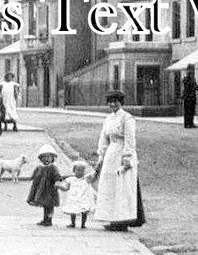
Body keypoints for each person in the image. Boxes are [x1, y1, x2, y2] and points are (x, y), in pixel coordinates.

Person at [93, 90, 146, 231]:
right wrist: (101, 155)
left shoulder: (127, 118)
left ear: (121, 102)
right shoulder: (108, 118)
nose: (113, 104)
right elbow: (103, 138)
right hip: (111, 153)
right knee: (111, 186)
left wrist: (127, 158)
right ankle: (112, 218)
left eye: (116, 101)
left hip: (122, 153)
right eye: (110, 102)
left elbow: (130, 139)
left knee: (123, 187)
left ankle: (122, 220)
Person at [27, 143, 65, 226]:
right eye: (44, 157)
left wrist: (59, 181)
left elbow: (57, 176)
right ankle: (45, 219)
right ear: (41, 158)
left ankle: (49, 220)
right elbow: (35, 175)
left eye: (49, 157)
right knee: (45, 205)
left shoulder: (53, 167)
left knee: (50, 206)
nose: (47, 159)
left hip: (50, 190)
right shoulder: (39, 167)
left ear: (52, 158)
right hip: (42, 190)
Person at [58, 162, 97, 228]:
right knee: (73, 209)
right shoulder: (70, 179)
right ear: (74, 171)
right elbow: (66, 188)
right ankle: (73, 223)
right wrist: (60, 187)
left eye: (82, 171)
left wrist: (96, 170)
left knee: (84, 210)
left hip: (84, 197)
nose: (80, 172)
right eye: (78, 170)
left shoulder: (86, 179)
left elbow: (94, 177)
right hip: (73, 197)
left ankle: (83, 224)